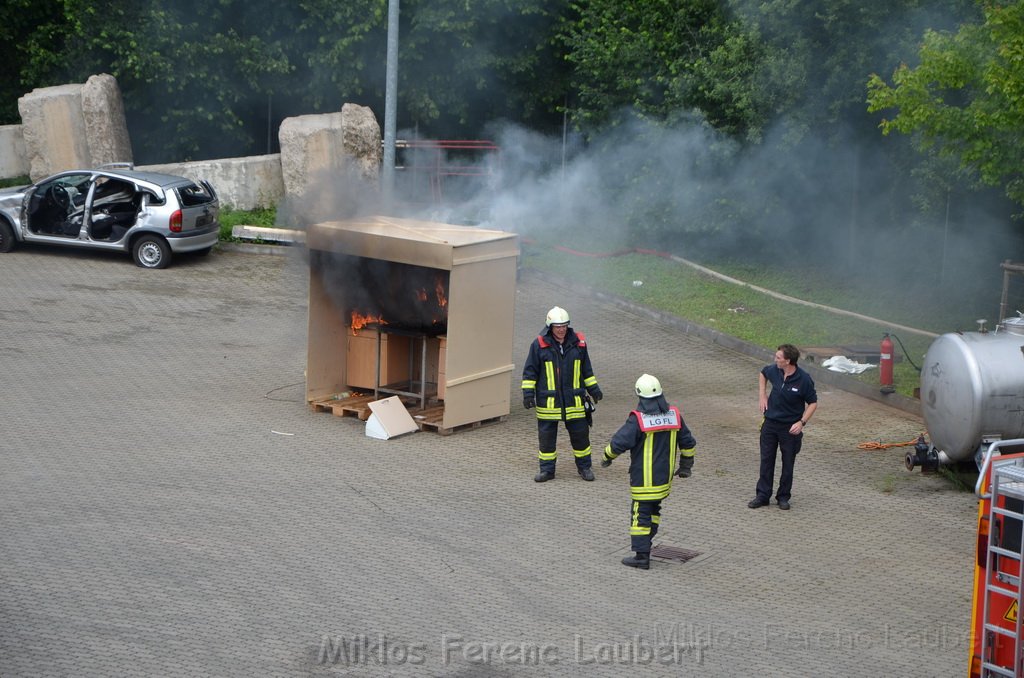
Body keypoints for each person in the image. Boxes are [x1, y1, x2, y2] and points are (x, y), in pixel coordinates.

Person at [601, 374, 697, 569]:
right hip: (664, 480)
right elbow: (688, 442)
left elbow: (619, 442)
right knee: (653, 510)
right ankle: (647, 543)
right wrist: (686, 466)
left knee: (640, 515)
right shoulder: (674, 415)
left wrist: (606, 457)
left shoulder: (639, 419)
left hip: (644, 480)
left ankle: (641, 556)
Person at [521, 306, 603, 482]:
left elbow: (586, 370)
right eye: (558, 326)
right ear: (550, 326)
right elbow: (530, 372)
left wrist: (594, 389)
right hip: (549, 403)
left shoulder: (579, 344)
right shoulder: (539, 345)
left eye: (564, 325)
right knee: (547, 441)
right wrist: (528, 394)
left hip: (574, 401)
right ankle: (547, 471)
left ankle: (585, 468)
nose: (561, 329)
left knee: (581, 438)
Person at [748, 343, 818, 511]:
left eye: (778, 357)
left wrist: (801, 423)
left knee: (788, 463)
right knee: (766, 460)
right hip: (770, 425)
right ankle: (763, 495)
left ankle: (783, 497)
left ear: (788, 361)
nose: (775, 359)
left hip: (790, 429)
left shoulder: (804, 379)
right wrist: (762, 395)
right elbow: (763, 373)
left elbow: (813, 403)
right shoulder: (774, 370)